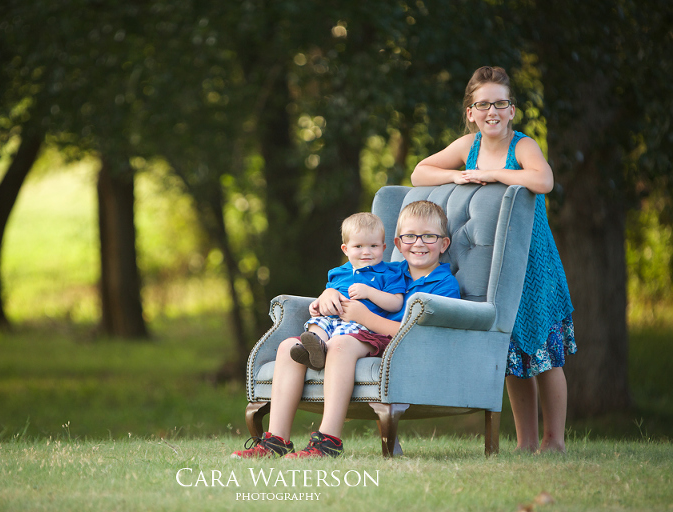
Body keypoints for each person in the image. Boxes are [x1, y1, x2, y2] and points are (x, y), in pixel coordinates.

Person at [411, 65, 575, 453]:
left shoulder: (523, 146)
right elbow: (420, 172)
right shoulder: (467, 147)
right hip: (497, 266)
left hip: (534, 263)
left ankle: (554, 441)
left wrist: (500, 174)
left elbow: (544, 181)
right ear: (470, 112)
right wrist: (458, 177)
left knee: (544, 350)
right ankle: (525, 442)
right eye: (483, 105)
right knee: (512, 349)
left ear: (512, 109)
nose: (492, 112)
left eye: (500, 103)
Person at [232, 201, 461, 459]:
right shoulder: (391, 270)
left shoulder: (445, 286)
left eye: (429, 236)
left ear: (444, 244)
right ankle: (276, 441)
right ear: (397, 244)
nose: (418, 243)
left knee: (340, 344)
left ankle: (327, 441)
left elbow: (418, 335)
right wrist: (328, 294)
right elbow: (350, 280)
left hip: (395, 344)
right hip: (358, 331)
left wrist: (365, 317)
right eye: (410, 236)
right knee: (288, 348)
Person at [290, 212, 406, 373]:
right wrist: (318, 305)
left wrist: (369, 292)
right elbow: (328, 297)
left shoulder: (390, 273)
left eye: (373, 246)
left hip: (358, 325)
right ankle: (315, 348)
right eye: (358, 246)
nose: (366, 252)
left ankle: (321, 352)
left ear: (383, 247)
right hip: (331, 318)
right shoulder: (338, 272)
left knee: (339, 341)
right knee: (317, 324)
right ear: (345, 249)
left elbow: (396, 303)